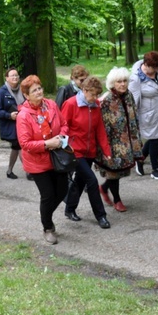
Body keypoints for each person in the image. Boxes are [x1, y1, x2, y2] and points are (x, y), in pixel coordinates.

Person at [17, 75, 69, 244]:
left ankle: (45, 212)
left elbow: (64, 123)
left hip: (56, 157)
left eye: (39, 88)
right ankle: (47, 227)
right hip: (37, 162)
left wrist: (61, 136)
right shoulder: (23, 116)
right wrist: (47, 143)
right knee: (47, 195)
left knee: (62, 190)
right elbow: (25, 143)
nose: (39, 92)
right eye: (34, 90)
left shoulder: (52, 105)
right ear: (26, 95)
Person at [61, 76, 112, 229]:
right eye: (92, 94)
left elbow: (100, 129)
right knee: (91, 181)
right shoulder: (70, 104)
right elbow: (63, 126)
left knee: (80, 181)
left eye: (97, 95)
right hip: (75, 151)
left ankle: (69, 209)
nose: (95, 98)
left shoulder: (96, 105)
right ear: (84, 90)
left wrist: (106, 150)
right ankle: (101, 216)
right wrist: (66, 147)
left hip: (90, 150)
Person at [96, 67, 144, 213]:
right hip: (112, 142)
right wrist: (104, 147)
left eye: (124, 81)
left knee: (120, 171)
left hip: (127, 139)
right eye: (119, 81)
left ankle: (104, 188)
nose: (123, 84)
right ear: (112, 83)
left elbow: (134, 116)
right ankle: (117, 200)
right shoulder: (106, 100)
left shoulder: (128, 95)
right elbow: (101, 125)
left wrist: (136, 138)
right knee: (113, 171)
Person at [129, 50, 158, 179]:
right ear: (145, 64)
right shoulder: (136, 78)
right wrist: (133, 120)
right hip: (148, 114)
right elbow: (133, 100)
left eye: (156, 67)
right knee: (155, 139)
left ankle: (140, 159)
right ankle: (155, 169)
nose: (154, 70)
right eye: (152, 67)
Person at [0, 66, 25, 179]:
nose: (15, 77)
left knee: (16, 148)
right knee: (20, 146)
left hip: (23, 124)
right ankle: (29, 171)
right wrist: (9, 116)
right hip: (10, 125)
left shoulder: (23, 89)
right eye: (12, 75)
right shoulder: (1, 92)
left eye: (16, 75)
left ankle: (9, 170)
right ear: (6, 78)